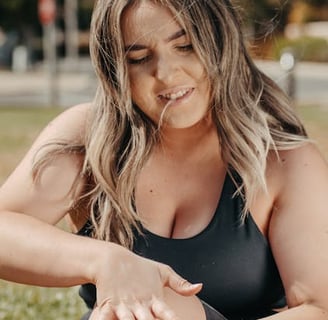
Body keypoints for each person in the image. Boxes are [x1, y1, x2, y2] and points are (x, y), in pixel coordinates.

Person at [0, 0, 328, 319]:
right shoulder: (90, 139)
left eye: (185, 46)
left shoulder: (287, 162)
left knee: (153, 304)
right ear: (115, 71)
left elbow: (319, 307)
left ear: (220, 41)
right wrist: (103, 260)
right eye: (139, 58)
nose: (166, 73)